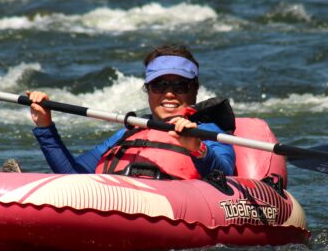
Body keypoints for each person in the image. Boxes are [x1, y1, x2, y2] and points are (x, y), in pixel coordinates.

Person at [27, 44, 236, 179]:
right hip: (114, 203)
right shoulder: (130, 132)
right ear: (148, 90)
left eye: (180, 86)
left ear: (195, 90)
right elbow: (73, 175)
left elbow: (224, 174)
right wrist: (45, 126)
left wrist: (196, 147)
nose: (169, 94)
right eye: (159, 85)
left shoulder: (209, 131)